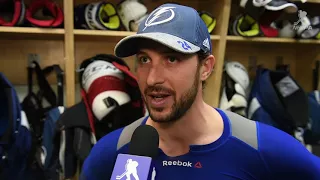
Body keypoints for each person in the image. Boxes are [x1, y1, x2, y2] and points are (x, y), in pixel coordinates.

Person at [80, 3, 320, 180]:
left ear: (206, 67)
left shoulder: (260, 147)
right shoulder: (112, 152)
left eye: (172, 59)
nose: (153, 78)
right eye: (144, 59)